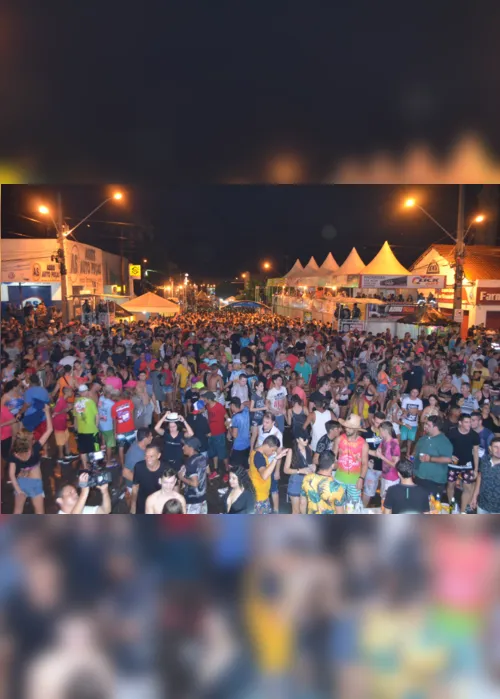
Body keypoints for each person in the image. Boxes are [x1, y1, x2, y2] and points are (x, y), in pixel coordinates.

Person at [8, 405, 53, 514]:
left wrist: (18, 490)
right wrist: (47, 411)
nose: (33, 438)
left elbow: (11, 474)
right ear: (28, 442)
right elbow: (50, 429)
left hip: (20, 483)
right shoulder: (35, 449)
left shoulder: (14, 454)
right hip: (35, 483)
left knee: (17, 511)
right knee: (39, 512)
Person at [414, 415, 454, 498]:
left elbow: (447, 459)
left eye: (428, 425)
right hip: (419, 476)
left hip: (434, 480)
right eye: (425, 424)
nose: (425, 426)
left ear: (435, 427)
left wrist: (430, 459)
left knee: (431, 507)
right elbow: (416, 454)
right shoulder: (423, 439)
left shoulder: (444, 441)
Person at [447, 413, 480, 512]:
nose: (469, 424)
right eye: (466, 422)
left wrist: (476, 469)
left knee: (467, 487)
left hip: (467, 465)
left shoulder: (474, 435)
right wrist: (449, 455)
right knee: (450, 485)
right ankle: (451, 507)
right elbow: (445, 446)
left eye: (470, 422)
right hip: (453, 464)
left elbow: (475, 452)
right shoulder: (452, 432)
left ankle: (462, 511)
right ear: (460, 422)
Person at [333, 413, 369, 504]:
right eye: (346, 427)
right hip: (338, 479)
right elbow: (332, 457)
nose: (346, 429)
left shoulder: (363, 444)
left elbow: (365, 463)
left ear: (356, 429)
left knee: (353, 506)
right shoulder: (339, 439)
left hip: (355, 481)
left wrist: (361, 479)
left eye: (349, 428)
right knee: (337, 505)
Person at [283, 428, 314, 514]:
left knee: (304, 507)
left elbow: (310, 464)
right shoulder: (291, 451)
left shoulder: (309, 449)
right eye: (303, 438)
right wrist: (300, 471)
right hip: (295, 481)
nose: (306, 440)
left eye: (307, 438)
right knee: (296, 510)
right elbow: (285, 470)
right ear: (297, 440)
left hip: (306, 481)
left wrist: (313, 467)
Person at [131, 442, 167, 514]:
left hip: (159, 505)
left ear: (158, 455)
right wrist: (133, 505)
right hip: (142, 504)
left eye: (151, 456)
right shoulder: (139, 467)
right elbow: (135, 487)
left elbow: (175, 488)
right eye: (146, 456)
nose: (148, 459)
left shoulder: (166, 469)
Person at [178, 436, 208, 514]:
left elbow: (195, 483)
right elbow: (207, 472)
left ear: (191, 447)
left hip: (193, 500)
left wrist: (181, 477)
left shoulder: (190, 462)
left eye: (184, 445)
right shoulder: (202, 457)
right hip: (203, 497)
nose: (182, 448)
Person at [471, 437, 500, 514]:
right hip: (482, 504)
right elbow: (480, 477)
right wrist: (474, 496)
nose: (499, 450)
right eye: (496, 447)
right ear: (490, 448)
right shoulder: (485, 460)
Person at [73, 384, 99, 466]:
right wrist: (97, 426)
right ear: (86, 391)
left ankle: (85, 466)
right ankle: (96, 465)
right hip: (91, 430)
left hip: (81, 430)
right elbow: (97, 416)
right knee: (95, 449)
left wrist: (76, 429)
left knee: (83, 450)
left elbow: (75, 417)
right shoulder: (90, 402)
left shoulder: (76, 403)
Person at [204, 391, 228, 479]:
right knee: (213, 453)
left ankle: (227, 471)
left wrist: (229, 429)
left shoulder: (219, 407)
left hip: (219, 434)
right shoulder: (207, 406)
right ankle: (216, 469)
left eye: (205, 398)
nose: (204, 400)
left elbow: (226, 417)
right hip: (211, 434)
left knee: (223, 454)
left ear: (209, 399)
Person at [122, 427, 153, 493]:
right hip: (134, 487)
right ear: (145, 439)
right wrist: (142, 482)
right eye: (150, 436)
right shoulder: (135, 454)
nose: (152, 437)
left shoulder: (140, 444)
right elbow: (125, 473)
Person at [111, 389, 136, 466]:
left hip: (120, 430)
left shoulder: (113, 407)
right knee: (133, 447)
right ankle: (134, 463)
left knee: (121, 447)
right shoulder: (129, 402)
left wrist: (115, 432)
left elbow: (114, 421)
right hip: (130, 428)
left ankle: (122, 465)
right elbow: (132, 416)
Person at [229, 397, 251, 468]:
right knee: (246, 466)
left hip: (238, 447)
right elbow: (248, 403)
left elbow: (234, 435)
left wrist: (228, 426)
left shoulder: (235, 418)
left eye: (231, 406)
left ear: (232, 405)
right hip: (247, 444)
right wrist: (243, 404)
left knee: (233, 467)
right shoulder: (246, 411)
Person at [400, 388, 423, 457]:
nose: (414, 394)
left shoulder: (419, 401)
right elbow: (402, 410)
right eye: (413, 392)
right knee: (402, 438)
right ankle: (397, 451)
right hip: (405, 422)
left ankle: (408, 453)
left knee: (410, 439)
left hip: (414, 423)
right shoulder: (406, 400)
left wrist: (415, 411)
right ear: (410, 392)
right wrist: (408, 411)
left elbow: (420, 413)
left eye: (416, 392)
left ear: (418, 393)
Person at [97, 384, 116, 464]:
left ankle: (105, 458)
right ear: (109, 394)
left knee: (103, 442)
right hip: (108, 426)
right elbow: (114, 418)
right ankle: (109, 462)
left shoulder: (101, 398)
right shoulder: (112, 404)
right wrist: (115, 430)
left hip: (101, 424)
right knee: (109, 444)